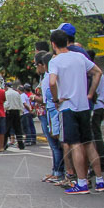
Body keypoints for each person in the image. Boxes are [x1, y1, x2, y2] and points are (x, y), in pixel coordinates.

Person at [48, 29, 104, 195]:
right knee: (88, 142)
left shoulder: (55, 61)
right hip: (83, 105)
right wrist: (90, 93)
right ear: (67, 42)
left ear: (53, 44)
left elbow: (52, 82)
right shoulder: (80, 57)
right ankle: (100, 180)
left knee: (75, 144)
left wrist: (56, 98)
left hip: (68, 106)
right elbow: (98, 73)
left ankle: (81, 182)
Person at [35, 52, 64, 183]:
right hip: (53, 112)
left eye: (37, 65)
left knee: (55, 144)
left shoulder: (48, 78)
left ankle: (58, 172)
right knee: (56, 144)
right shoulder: (48, 77)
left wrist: (34, 98)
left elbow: (47, 99)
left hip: (52, 113)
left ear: (43, 65)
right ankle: (56, 171)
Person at [4, 81, 25, 150]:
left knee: (7, 129)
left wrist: (4, 110)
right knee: (18, 129)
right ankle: (21, 144)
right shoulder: (16, 93)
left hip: (9, 111)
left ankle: (4, 144)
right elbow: (20, 103)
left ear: (6, 87)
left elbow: (6, 104)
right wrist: (21, 112)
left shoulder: (6, 93)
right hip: (16, 111)